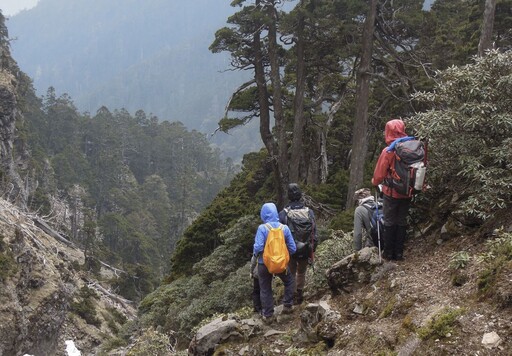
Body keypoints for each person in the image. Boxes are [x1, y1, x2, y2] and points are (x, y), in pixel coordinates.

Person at [372, 119, 412, 260]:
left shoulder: (389, 150)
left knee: (389, 221)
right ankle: (399, 252)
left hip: (391, 192)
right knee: (401, 221)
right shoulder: (412, 147)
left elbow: (379, 174)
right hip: (408, 192)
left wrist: (375, 182)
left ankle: (388, 253)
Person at [253, 202, 296, 322]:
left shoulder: (262, 228)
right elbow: (293, 248)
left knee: (265, 288)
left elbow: (258, 248)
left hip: (264, 263)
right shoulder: (284, 228)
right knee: (289, 281)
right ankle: (287, 306)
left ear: (263, 214)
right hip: (281, 263)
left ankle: (268, 315)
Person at [279, 183, 318, 305]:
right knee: (301, 272)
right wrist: (313, 248)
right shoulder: (309, 212)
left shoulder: (284, 213)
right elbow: (314, 231)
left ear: (289, 196)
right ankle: (299, 294)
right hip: (306, 247)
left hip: (290, 249)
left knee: (291, 272)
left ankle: (291, 296)